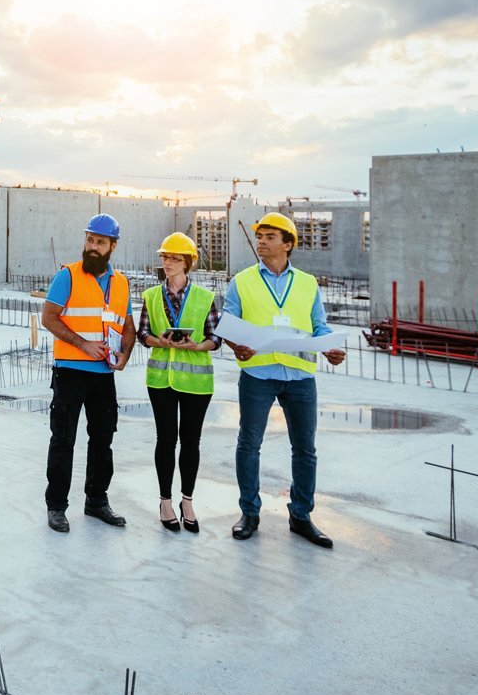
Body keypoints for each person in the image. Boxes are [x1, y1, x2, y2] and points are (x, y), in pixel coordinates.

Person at [222, 212, 347, 548]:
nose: (261, 242)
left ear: (288, 244)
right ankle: (249, 512)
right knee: (249, 445)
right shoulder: (243, 281)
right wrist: (238, 346)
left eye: (269, 237)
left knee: (305, 449)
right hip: (258, 375)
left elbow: (318, 326)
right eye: (259, 236)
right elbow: (227, 323)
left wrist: (330, 347)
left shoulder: (307, 283)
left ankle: (301, 515)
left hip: (300, 378)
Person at [38, 213, 136, 533]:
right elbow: (49, 318)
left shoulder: (121, 283)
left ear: (112, 246)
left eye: (100, 242)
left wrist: (124, 354)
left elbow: (128, 327)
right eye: (90, 240)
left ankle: (96, 501)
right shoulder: (67, 276)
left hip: (103, 374)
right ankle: (56, 506)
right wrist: (82, 344)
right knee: (64, 440)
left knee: (103, 440)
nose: (92, 247)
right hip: (70, 372)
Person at [136, 232, 219, 533]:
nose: (167, 263)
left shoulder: (204, 298)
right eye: (165, 257)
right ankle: (165, 501)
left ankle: (187, 500)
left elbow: (215, 337)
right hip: (161, 380)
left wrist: (197, 346)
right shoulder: (151, 296)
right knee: (165, 440)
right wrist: (157, 340)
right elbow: (142, 333)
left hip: (196, 383)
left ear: (188, 263)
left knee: (191, 442)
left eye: (174, 258)